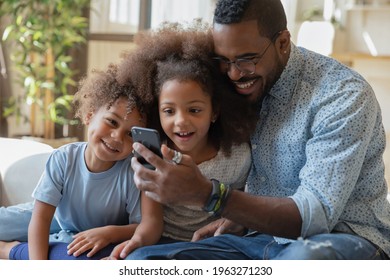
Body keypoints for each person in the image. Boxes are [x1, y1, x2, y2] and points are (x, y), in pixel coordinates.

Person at [125, 0, 390, 260]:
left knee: (302, 262)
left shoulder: (342, 95)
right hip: (259, 237)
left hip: (342, 238)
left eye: (246, 60)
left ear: (283, 43)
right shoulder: (242, 84)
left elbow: (315, 216)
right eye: (224, 60)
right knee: (144, 262)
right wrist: (241, 218)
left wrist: (209, 195)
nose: (233, 74)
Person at [107, 22, 257, 259]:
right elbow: (151, 221)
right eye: (169, 111)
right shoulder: (155, 154)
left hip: (215, 245)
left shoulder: (237, 156)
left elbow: (242, 206)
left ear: (214, 112)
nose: (181, 122)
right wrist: (133, 245)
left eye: (194, 110)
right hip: (162, 241)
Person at [0, 63, 163, 260]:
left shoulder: (132, 172)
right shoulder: (63, 158)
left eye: (130, 133)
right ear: (89, 116)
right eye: (112, 121)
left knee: (68, 251)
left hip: (76, 232)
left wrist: (109, 232)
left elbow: (141, 226)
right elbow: (41, 219)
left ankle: (9, 249)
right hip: (56, 215)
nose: (117, 137)